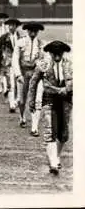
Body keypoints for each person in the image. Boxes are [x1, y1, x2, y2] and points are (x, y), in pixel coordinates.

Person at [27, 41, 72, 175]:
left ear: (63, 53)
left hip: (66, 100)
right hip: (49, 99)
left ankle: (56, 156)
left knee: (63, 134)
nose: (57, 56)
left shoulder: (70, 64)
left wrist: (67, 89)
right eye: (54, 53)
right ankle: (53, 161)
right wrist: (32, 100)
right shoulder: (43, 64)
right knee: (50, 130)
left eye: (60, 53)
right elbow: (33, 82)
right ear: (50, 53)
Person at [12, 22, 46, 131]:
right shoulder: (20, 42)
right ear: (27, 31)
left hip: (35, 74)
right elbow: (15, 59)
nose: (33, 33)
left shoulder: (41, 44)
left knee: (36, 99)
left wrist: (42, 71)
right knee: (22, 100)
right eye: (31, 31)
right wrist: (18, 74)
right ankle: (22, 116)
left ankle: (34, 127)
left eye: (35, 31)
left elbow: (44, 60)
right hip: (23, 74)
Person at [0, 18, 24, 113]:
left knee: (19, 83)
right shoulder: (4, 37)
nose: (11, 27)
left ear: (16, 26)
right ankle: (12, 104)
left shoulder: (22, 37)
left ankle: (16, 100)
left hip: (19, 64)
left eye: (13, 25)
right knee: (11, 83)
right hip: (9, 64)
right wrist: (1, 61)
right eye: (9, 25)